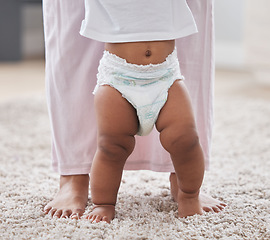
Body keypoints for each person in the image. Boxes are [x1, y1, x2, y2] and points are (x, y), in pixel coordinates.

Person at [42, 0, 226, 220]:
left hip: (166, 76)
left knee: (186, 140)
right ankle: (104, 203)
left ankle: (189, 195)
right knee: (111, 147)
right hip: (118, 78)